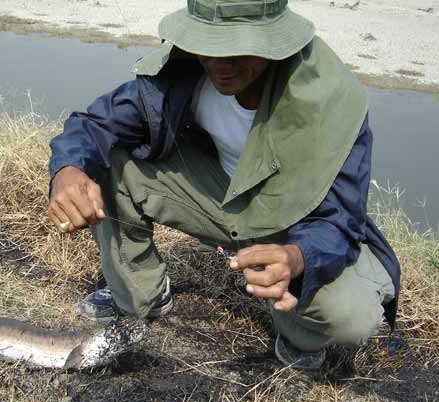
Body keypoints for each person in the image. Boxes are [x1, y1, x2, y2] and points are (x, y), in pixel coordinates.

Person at [47, 0, 400, 370]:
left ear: (275, 41)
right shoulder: (183, 69)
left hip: (295, 224)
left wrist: (297, 258)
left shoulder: (332, 101)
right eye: (209, 46)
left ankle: (299, 335)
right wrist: (67, 170)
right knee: (108, 160)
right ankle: (139, 298)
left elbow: (340, 218)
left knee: (350, 318)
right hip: (221, 198)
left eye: (237, 48)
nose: (219, 63)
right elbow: (96, 124)